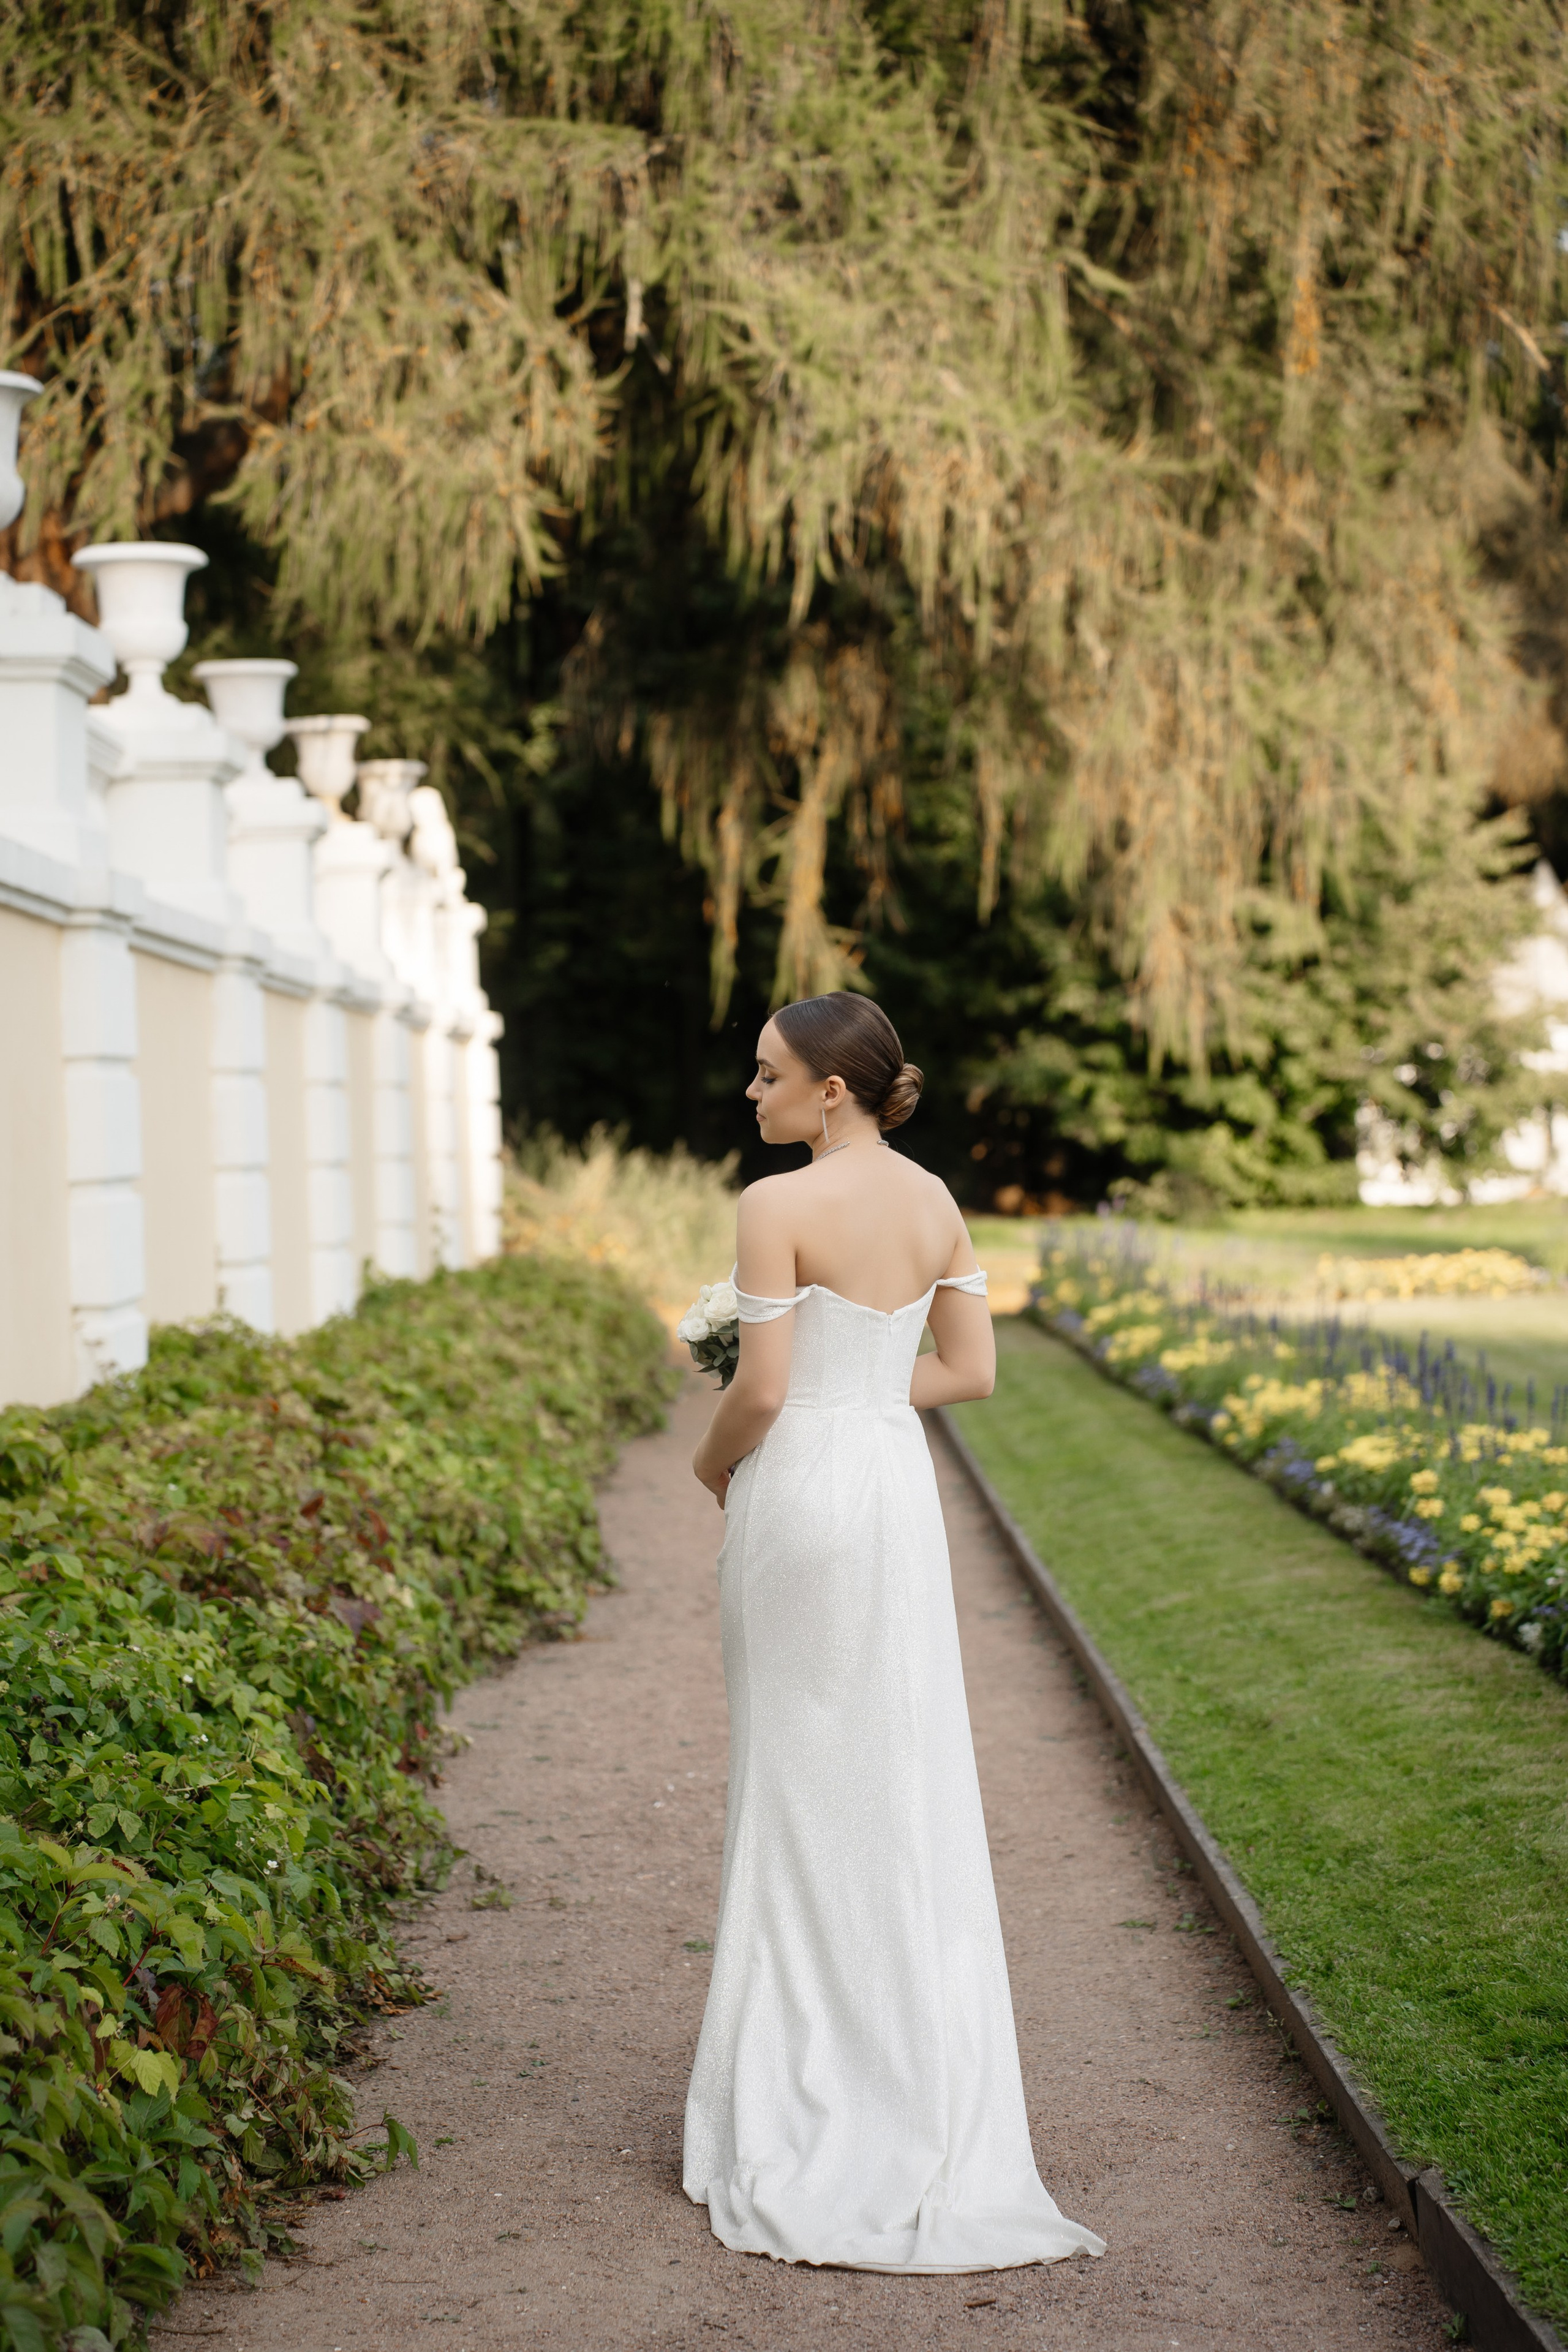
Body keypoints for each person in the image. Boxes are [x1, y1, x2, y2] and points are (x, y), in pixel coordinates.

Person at [682, 991, 1106, 2274]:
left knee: (792, 1788)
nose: (749, 1096)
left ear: (830, 1092)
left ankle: (797, 2086)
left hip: (803, 1486)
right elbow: (968, 1371)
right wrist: (857, 1382)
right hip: (888, 1485)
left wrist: (711, 1472)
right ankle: (909, 2085)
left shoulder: (774, 1207)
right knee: (896, 1777)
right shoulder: (932, 1201)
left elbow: (758, 1389)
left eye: (767, 1078)